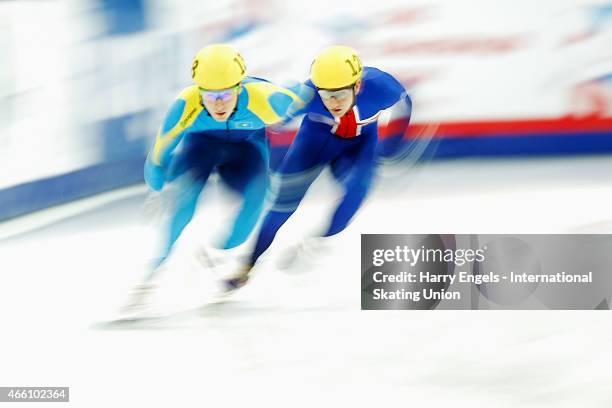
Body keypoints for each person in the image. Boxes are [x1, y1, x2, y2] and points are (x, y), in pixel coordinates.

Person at [123, 44, 304, 311]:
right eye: (210, 96)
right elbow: (159, 154)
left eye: (226, 94)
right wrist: (156, 188)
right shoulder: (186, 104)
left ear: (240, 87)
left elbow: (307, 95)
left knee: (254, 204)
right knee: (183, 201)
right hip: (200, 149)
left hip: (247, 150)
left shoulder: (269, 99)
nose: (218, 103)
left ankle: (215, 255)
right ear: (199, 91)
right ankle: (152, 274)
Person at [225, 45, 413, 290]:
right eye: (326, 95)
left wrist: (392, 145)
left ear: (358, 86)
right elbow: (271, 118)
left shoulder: (382, 87)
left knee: (359, 189)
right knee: (282, 208)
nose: (334, 102)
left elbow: (405, 105)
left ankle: (318, 241)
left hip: (358, 149)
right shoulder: (307, 95)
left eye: (341, 94)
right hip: (312, 147)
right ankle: (247, 265)